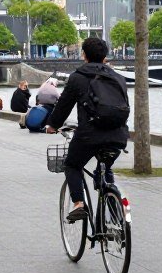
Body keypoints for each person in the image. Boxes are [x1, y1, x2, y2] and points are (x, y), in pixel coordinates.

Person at [46, 37, 130, 222]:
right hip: (118, 135)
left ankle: (79, 205)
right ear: (105, 55)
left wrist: (53, 125)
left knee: (73, 165)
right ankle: (113, 212)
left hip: (89, 136)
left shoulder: (77, 78)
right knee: (105, 169)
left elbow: (63, 106)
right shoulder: (119, 78)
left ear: (84, 55)